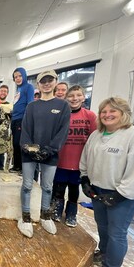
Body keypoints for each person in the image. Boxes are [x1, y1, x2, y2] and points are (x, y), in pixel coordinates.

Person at [79, 97, 134, 267]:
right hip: (99, 190)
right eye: (104, 111)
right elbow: (86, 157)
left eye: (112, 111)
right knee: (102, 226)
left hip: (123, 195)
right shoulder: (97, 135)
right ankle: (104, 251)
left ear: (123, 113)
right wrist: (85, 178)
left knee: (116, 232)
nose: (107, 115)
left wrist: (121, 193)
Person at [18, 70, 70, 238]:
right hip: (29, 154)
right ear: (38, 84)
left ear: (55, 81)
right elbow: (25, 129)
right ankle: (25, 217)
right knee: (27, 186)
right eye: (43, 81)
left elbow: (63, 131)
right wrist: (28, 148)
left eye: (50, 80)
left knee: (47, 187)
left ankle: (45, 215)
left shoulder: (63, 106)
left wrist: (50, 149)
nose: (46, 83)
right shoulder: (32, 106)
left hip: (51, 154)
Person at [51, 85, 97, 227]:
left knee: (74, 189)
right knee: (59, 188)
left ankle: (71, 214)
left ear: (83, 97)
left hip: (79, 163)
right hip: (61, 160)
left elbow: (94, 139)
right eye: (71, 96)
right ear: (66, 97)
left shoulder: (90, 116)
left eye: (78, 95)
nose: (74, 98)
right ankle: (56, 211)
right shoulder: (61, 115)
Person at [10, 67, 34, 173]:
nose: (18, 78)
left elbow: (30, 104)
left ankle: (21, 167)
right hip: (14, 119)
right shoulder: (18, 89)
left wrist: (26, 119)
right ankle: (16, 165)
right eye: (15, 77)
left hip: (22, 119)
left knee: (19, 143)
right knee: (15, 143)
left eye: (20, 76)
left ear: (24, 76)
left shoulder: (28, 87)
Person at [0, 85, 13, 171]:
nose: (3, 92)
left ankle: (0, 170)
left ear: (7, 93)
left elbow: (12, 120)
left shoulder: (10, 105)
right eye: (1, 91)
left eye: (5, 91)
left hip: (4, 132)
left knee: (1, 153)